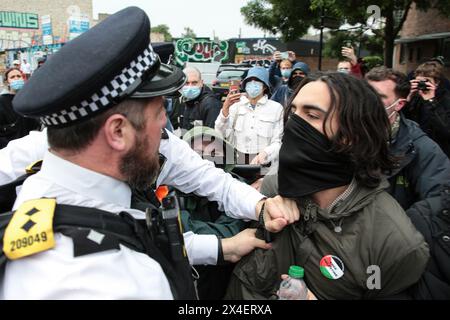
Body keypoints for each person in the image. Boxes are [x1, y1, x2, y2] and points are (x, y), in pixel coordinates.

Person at [0, 7, 297, 300]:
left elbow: (191, 188)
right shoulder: (108, 280)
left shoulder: (73, 157)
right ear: (118, 132)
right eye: (159, 114)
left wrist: (256, 210)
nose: (165, 129)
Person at [226, 73, 430, 300]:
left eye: (311, 115)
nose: (294, 124)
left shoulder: (393, 242)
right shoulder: (271, 191)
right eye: (293, 112)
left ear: (351, 134)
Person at [365, 67, 450, 210]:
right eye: (363, 93)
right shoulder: (342, 133)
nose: (365, 101)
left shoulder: (424, 150)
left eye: (377, 97)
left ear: (399, 104)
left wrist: (398, 229)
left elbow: (439, 202)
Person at [215, 67, 283, 167]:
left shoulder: (276, 108)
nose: (252, 84)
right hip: (237, 160)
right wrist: (225, 110)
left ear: (264, 86)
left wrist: (265, 153)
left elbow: (277, 141)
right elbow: (220, 133)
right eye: (249, 81)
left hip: (264, 162)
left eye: (257, 81)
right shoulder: (236, 106)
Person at [402, 61, 450, 158]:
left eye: (426, 81)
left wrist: (431, 101)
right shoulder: (415, 97)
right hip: (416, 150)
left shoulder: (446, 99)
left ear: (437, 83)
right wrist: (407, 98)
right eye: (419, 81)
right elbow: (402, 122)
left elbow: (446, 130)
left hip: (439, 153)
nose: (422, 85)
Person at [170, 66, 221, 132]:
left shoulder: (211, 104)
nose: (190, 87)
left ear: (201, 83)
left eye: (194, 83)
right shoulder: (182, 100)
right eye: (186, 83)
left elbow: (212, 137)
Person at [0, 68, 40, 149]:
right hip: (10, 149)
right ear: (7, 82)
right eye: (12, 77)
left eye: (18, 76)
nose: (16, 79)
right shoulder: (2, 101)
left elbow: (35, 124)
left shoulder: (28, 99)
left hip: (30, 147)